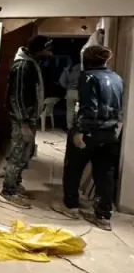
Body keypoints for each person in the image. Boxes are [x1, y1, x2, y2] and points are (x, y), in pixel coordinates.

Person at [52, 45, 124, 230]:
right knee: (105, 174)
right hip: (110, 133)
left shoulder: (88, 77)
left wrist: (80, 131)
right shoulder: (117, 78)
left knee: (73, 168)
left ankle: (71, 206)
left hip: (90, 132)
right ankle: (103, 216)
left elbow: (89, 107)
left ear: (86, 59)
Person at [0, 35, 52, 208]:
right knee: (18, 154)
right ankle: (7, 192)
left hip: (29, 118)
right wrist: (24, 124)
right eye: (47, 49)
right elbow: (17, 98)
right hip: (22, 120)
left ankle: (15, 184)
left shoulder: (31, 63)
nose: (49, 53)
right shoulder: (22, 66)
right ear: (39, 49)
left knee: (26, 153)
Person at [60, 60, 82, 129]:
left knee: (70, 110)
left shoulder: (67, 69)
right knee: (79, 110)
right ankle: (78, 126)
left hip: (70, 92)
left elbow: (61, 81)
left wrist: (68, 87)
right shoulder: (84, 69)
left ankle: (70, 127)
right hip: (80, 92)